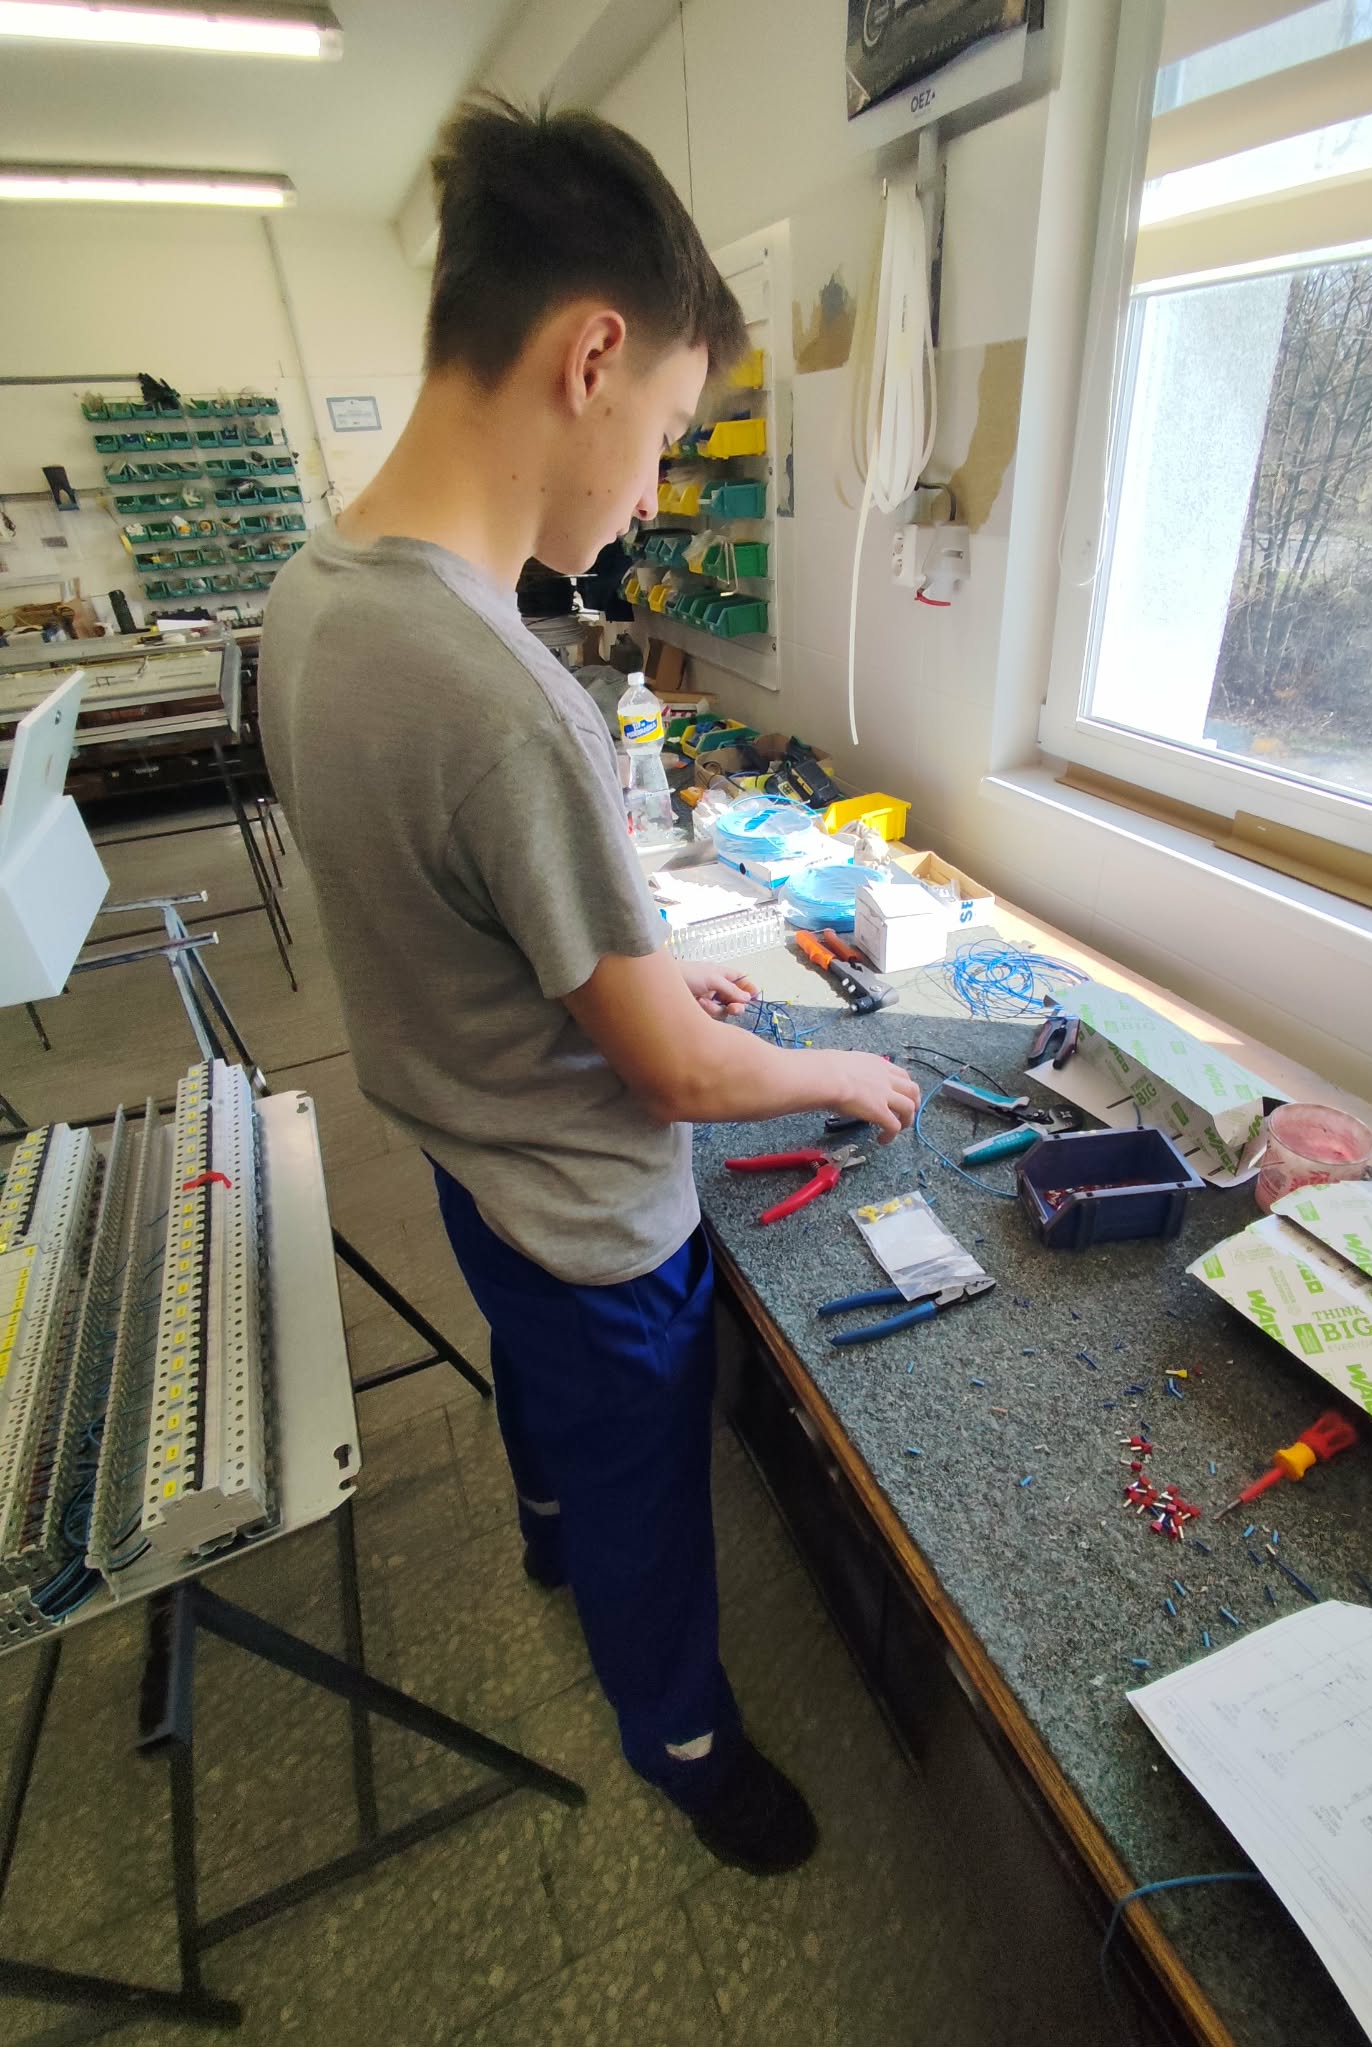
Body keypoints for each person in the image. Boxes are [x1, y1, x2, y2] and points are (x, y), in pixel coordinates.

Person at [260, 94, 921, 1877]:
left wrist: (633, 983)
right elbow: (685, 1088)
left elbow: (448, 917)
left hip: (467, 1155)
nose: (648, 496)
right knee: (650, 1493)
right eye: (667, 439)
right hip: (588, 1214)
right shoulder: (501, 695)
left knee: (544, 1410)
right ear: (593, 356)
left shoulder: (312, 594)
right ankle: (686, 1743)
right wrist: (842, 1077)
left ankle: (541, 1529)